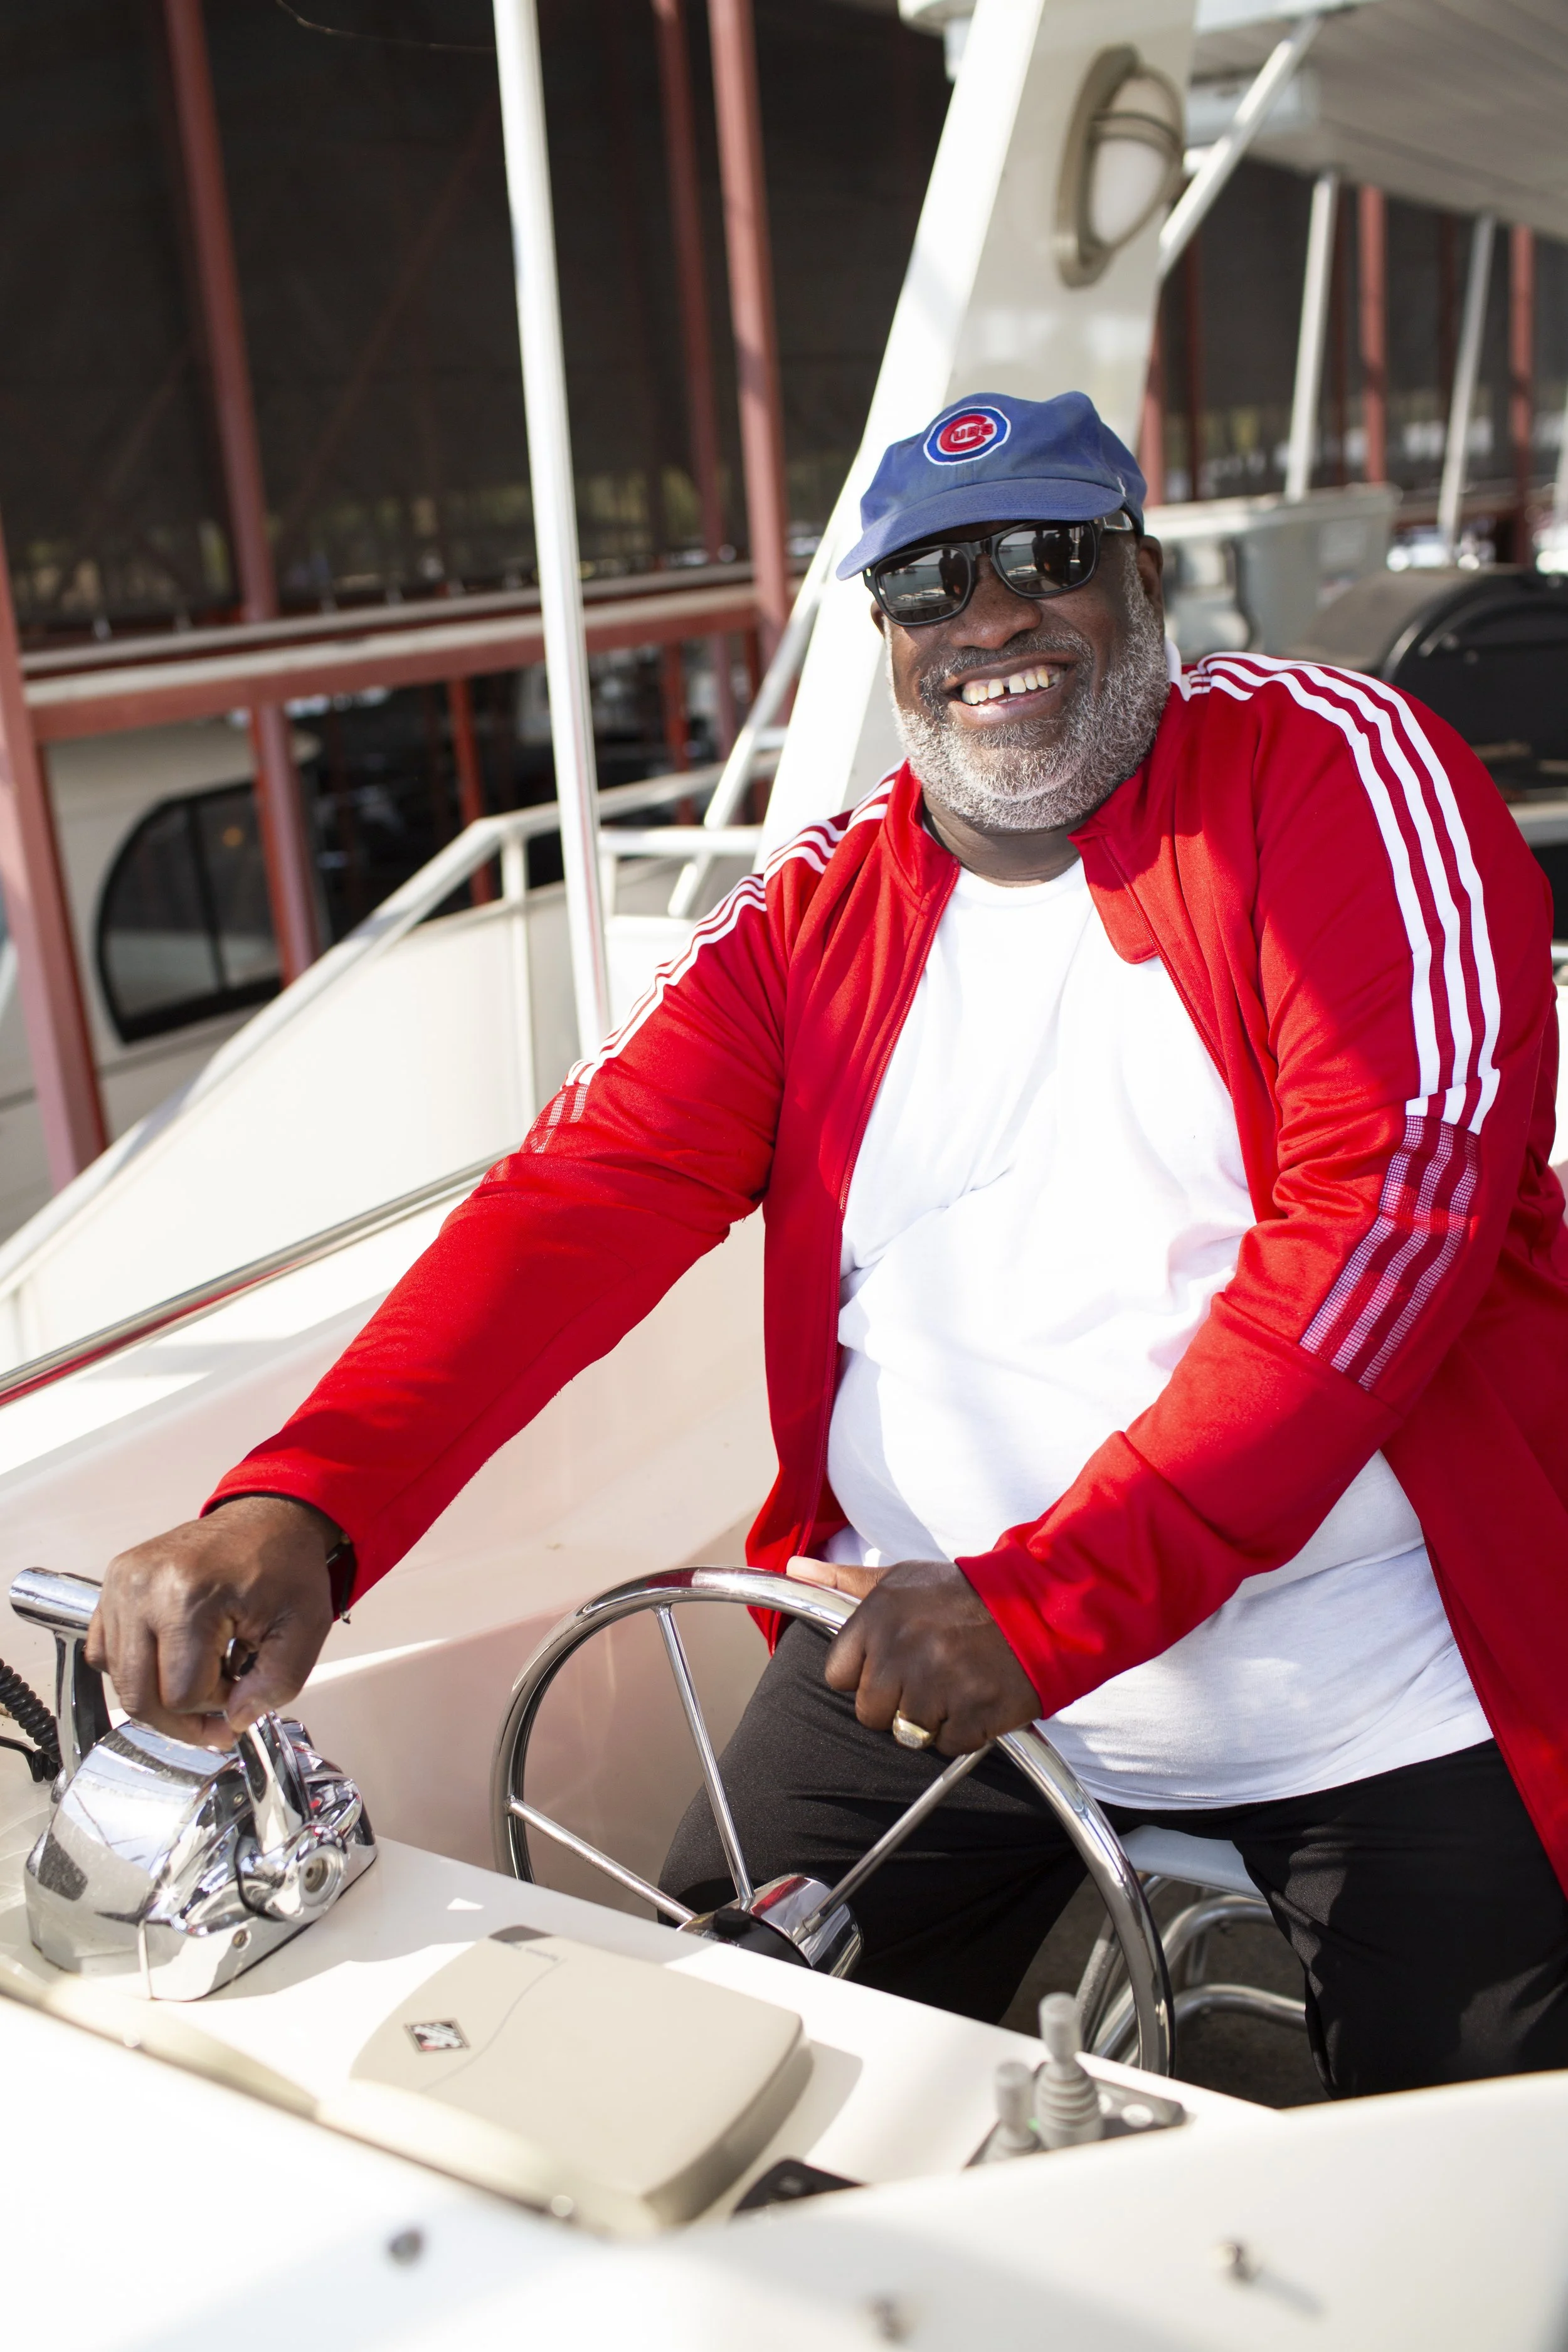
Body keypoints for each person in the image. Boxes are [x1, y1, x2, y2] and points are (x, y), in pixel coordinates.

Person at [90, 391, 1568, 2099]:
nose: (991, 617)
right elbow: (573, 1204)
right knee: (682, 2091)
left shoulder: (1338, 767)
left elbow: (1390, 1212)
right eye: (932, 584)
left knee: (1476, 2209)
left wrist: (1052, 1593)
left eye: (1043, 555)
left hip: (1373, 1683)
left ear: (1141, 575)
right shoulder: (811, 914)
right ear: (884, 634)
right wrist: (308, 1504)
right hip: (924, 1657)